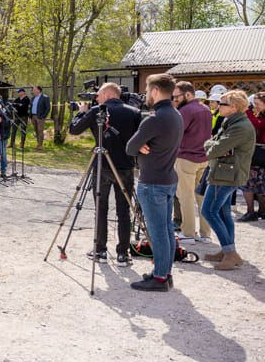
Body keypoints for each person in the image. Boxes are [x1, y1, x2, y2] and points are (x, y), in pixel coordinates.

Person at [69, 82, 142, 265]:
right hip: (125, 166)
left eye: (99, 95)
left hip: (102, 165)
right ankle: (122, 254)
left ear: (108, 94)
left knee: (100, 209)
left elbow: (74, 129)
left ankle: (100, 250)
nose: (97, 98)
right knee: (123, 210)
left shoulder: (96, 111)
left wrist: (82, 112)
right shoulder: (134, 112)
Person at [127, 74, 184, 292]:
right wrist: (143, 144)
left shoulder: (154, 118)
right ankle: (164, 272)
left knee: (158, 232)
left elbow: (130, 148)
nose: (146, 94)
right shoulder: (176, 115)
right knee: (166, 230)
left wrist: (140, 145)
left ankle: (160, 277)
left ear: (156, 91)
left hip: (153, 182)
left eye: (148, 89)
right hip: (167, 178)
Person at [201, 90, 255, 270]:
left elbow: (213, 149)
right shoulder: (233, 122)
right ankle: (227, 251)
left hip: (226, 174)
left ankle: (231, 254)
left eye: (222, 103)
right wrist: (212, 145)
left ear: (233, 107)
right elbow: (213, 144)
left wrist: (212, 145)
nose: (217, 105)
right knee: (223, 213)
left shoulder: (239, 127)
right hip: (225, 172)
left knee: (208, 211)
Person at [172, 81, 213, 241]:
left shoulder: (186, 110)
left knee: (185, 196)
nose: (175, 99)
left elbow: (176, 132)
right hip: (204, 157)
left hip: (187, 157)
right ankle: (205, 233)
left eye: (177, 96)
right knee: (201, 197)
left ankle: (188, 233)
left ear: (187, 94)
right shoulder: (205, 108)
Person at [240, 92, 265, 221]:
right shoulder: (260, 115)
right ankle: (260, 211)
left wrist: (248, 112)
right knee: (259, 184)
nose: (256, 107)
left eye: (258, 104)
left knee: (250, 183)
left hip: (258, 154)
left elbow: (257, 125)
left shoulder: (257, 116)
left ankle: (253, 211)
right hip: (258, 153)